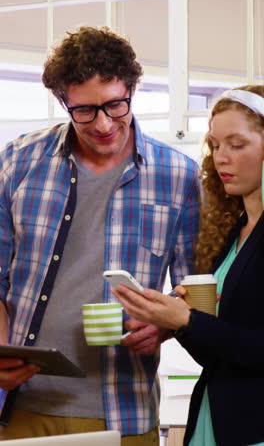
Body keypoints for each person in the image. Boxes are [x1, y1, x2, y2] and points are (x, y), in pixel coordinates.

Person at [0, 26, 200, 444]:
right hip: (19, 404)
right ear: (63, 103)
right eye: (85, 110)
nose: (105, 124)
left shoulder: (178, 175)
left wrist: (165, 328)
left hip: (123, 408)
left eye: (115, 104)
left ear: (131, 90)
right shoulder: (18, 161)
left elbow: (193, 291)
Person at [112, 85, 264, 446]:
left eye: (237, 144)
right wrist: (175, 320)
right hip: (216, 418)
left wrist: (186, 320)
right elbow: (217, 354)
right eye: (214, 144)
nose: (220, 158)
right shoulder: (233, 234)